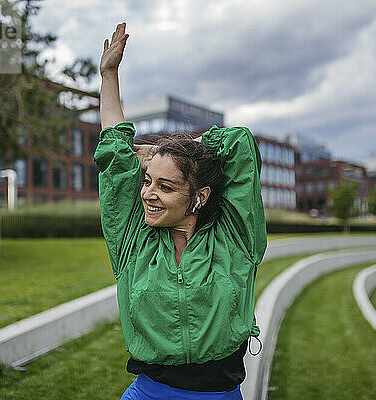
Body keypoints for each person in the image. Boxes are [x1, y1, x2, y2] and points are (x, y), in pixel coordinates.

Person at [94, 22, 267, 400]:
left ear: (199, 197)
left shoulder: (236, 239)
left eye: (165, 186)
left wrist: (173, 151)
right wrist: (109, 74)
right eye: (147, 181)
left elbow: (239, 143)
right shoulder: (132, 240)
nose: (148, 194)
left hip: (219, 394)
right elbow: (114, 154)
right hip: (148, 393)